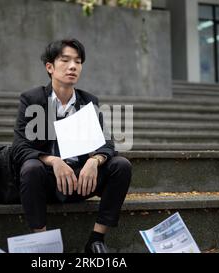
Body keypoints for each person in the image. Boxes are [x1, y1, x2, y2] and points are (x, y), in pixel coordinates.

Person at [11, 38, 132, 253]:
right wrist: (52, 161)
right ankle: (42, 244)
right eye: (65, 60)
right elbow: (20, 147)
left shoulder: (88, 101)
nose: (73, 66)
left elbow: (107, 144)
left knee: (121, 165)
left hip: (82, 181)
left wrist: (95, 161)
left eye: (78, 61)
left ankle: (96, 240)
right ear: (50, 67)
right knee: (30, 168)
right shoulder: (32, 99)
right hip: (48, 182)